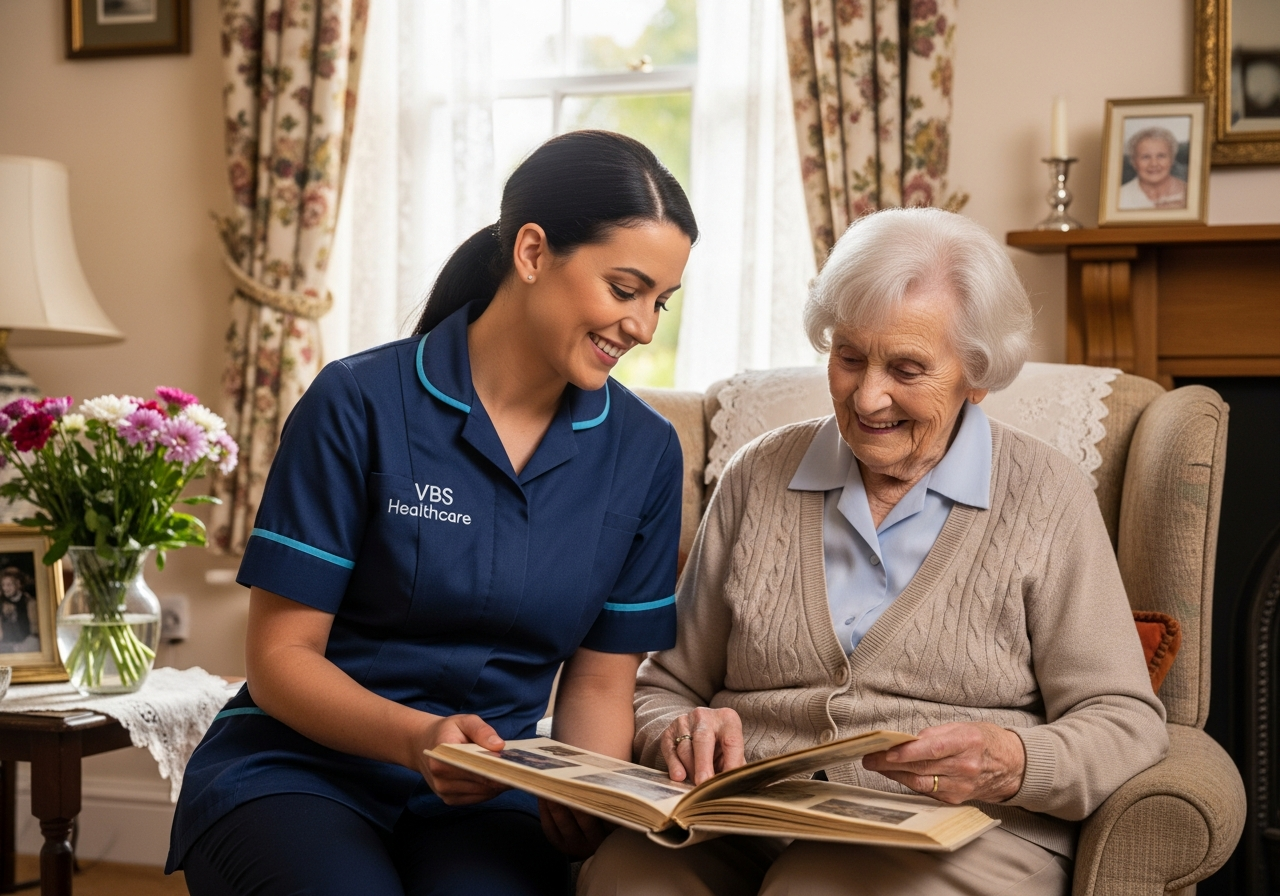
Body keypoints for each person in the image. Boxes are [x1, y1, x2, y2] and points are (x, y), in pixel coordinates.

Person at [167, 130, 697, 895]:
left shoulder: (644, 452)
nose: (645, 327)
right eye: (625, 289)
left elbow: (599, 686)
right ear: (532, 252)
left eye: (661, 302)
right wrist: (419, 740)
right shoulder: (356, 403)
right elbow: (281, 660)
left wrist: (589, 796)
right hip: (300, 769)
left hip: (494, 793)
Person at [579, 208, 1169, 896]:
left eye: (908, 368)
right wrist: (678, 732)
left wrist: (1014, 759)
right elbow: (665, 685)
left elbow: (1126, 721)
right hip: (748, 822)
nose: (867, 395)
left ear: (976, 375)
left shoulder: (1045, 495)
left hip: (962, 830)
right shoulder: (756, 474)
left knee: (817, 887)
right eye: (849, 357)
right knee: (627, 875)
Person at [1118, 125, 1187, 210]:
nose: (1154, 164)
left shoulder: (1190, 194)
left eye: (1161, 156)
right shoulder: (1119, 197)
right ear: (1134, 162)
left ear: (1172, 159)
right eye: (1145, 157)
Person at [0, 567, 36, 651]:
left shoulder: (29, 603)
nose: (5, 589)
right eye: (3, 585)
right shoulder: (2, 601)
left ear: (18, 584)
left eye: (9, 585)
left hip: (25, 644)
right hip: (6, 644)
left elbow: (35, 631)